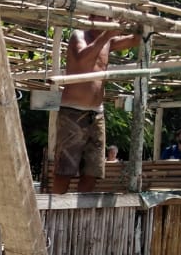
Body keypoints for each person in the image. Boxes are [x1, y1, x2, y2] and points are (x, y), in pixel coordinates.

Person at [52, 20, 141, 193]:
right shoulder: (79, 36)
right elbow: (82, 60)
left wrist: (141, 23)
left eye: (108, 19)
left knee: (93, 170)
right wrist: (106, 35)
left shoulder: (108, 41)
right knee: (65, 169)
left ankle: (80, 215)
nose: (106, 22)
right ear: (91, 17)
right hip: (72, 112)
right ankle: (55, 211)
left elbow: (134, 40)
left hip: (97, 113)